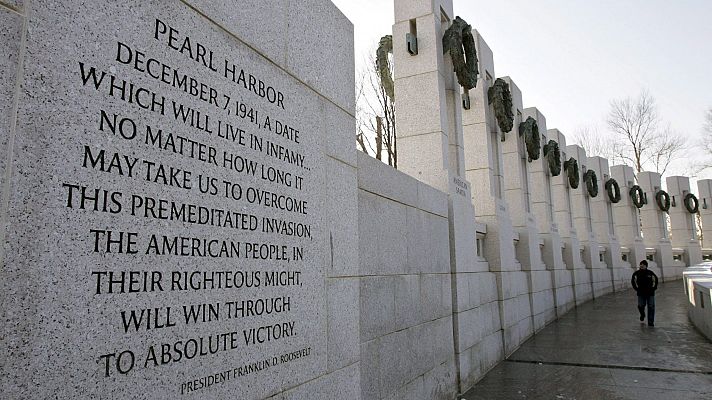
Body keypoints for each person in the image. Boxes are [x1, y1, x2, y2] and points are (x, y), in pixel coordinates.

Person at [631, 260, 658, 327]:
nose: (642, 266)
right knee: (640, 305)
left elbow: (655, 280)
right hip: (641, 293)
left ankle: (650, 322)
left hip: (650, 293)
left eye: (643, 265)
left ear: (646, 266)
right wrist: (636, 289)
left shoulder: (650, 273)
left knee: (651, 307)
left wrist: (653, 288)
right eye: (641, 265)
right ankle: (642, 314)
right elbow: (633, 281)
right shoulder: (636, 273)